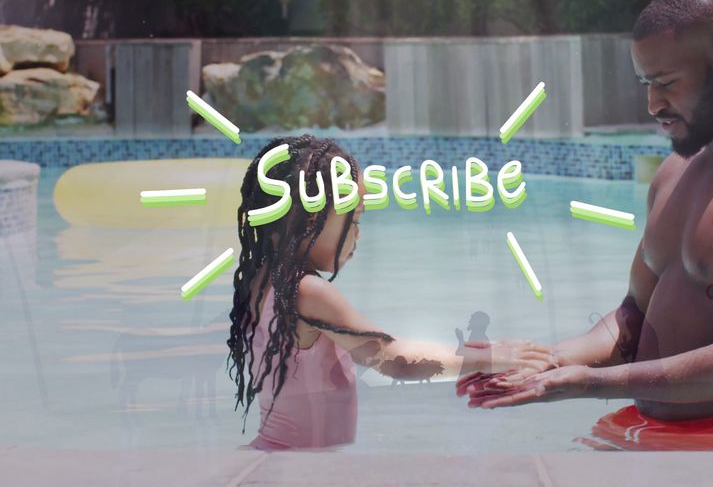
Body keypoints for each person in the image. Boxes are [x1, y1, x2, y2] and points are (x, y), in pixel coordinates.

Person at [457, 0, 713, 451]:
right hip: (648, 429)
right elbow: (634, 315)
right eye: (646, 83)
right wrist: (549, 360)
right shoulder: (675, 173)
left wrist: (588, 383)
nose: (653, 105)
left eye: (665, 83)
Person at [227, 135, 553, 450]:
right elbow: (393, 359)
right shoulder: (309, 292)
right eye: (354, 220)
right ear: (312, 221)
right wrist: (491, 357)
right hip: (299, 464)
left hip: (280, 450)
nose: (359, 233)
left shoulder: (261, 281)